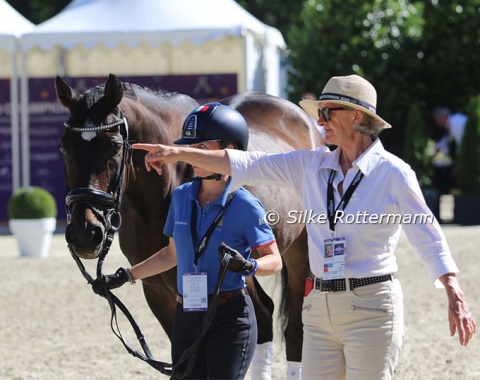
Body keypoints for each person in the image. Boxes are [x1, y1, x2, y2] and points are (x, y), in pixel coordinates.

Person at [130, 74, 476, 380]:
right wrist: (174, 153)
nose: (320, 120)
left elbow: (427, 233)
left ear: (358, 117)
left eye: (328, 112)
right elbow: (244, 162)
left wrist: (453, 291)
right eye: (319, 113)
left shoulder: (394, 173)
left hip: (372, 307)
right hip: (319, 307)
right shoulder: (310, 163)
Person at [93, 103, 282, 379]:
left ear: (230, 151)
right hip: (187, 315)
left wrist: (249, 266)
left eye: (202, 149)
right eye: (192, 149)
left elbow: (274, 260)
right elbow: (172, 254)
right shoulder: (181, 197)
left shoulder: (245, 205)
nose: (194, 158)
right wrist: (125, 276)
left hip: (230, 319)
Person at [431, 107, 468, 194]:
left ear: (443, 117)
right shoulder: (452, 123)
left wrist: (458, 167)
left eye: (437, 119)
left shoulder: (456, 123)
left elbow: (462, 147)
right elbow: (446, 141)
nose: (437, 123)